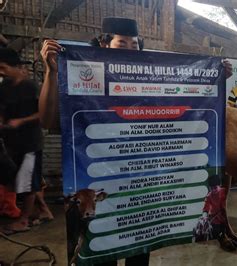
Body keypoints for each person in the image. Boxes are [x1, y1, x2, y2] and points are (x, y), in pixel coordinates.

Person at [40, 17, 150, 266]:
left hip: (137, 188)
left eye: (136, 46)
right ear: (104, 44)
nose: (130, 52)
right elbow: (47, 121)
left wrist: (215, 78)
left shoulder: (147, 81)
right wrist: (51, 71)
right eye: (122, 45)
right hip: (97, 183)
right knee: (100, 252)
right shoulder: (82, 76)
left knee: (139, 254)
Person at [0, 47, 54, 234]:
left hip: (30, 142)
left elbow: (43, 114)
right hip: (11, 143)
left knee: (28, 182)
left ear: (16, 67)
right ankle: (45, 211)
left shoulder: (30, 87)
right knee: (23, 180)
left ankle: (23, 221)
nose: (2, 71)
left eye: (4, 67)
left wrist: (20, 121)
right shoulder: (4, 87)